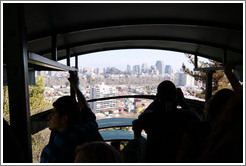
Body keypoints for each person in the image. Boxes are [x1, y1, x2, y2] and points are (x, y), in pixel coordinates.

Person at [40, 73, 103, 163]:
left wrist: (75, 86)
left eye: (53, 113)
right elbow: (85, 108)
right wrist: (76, 87)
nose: (49, 117)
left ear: (64, 119)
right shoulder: (88, 128)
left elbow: (85, 108)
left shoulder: (52, 151)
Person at [135, 80, 200, 162]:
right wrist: (182, 101)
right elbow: (197, 119)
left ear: (159, 97)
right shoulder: (185, 116)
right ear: (176, 97)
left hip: (155, 158)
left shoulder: (151, 117)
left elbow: (140, 119)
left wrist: (156, 101)